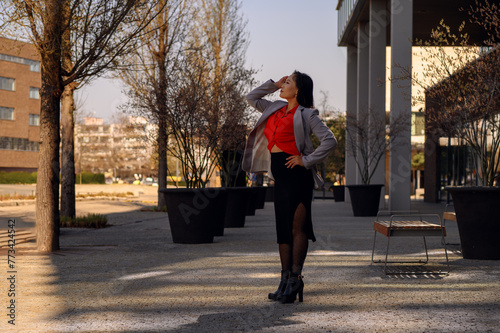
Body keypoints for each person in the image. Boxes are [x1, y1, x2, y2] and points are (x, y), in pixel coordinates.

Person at [242, 71, 337, 303]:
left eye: (288, 82)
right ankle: (284, 280)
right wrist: (273, 84)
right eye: (283, 82)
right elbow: (251, 97)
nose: (284, 85)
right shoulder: (273, 108)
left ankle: (295, 280)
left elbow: (330, 140)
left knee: (298, 229)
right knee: (283, 230)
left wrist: (306, 160)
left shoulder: (307, 114)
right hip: (281, 178)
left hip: (298, 177)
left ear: (298, 90)